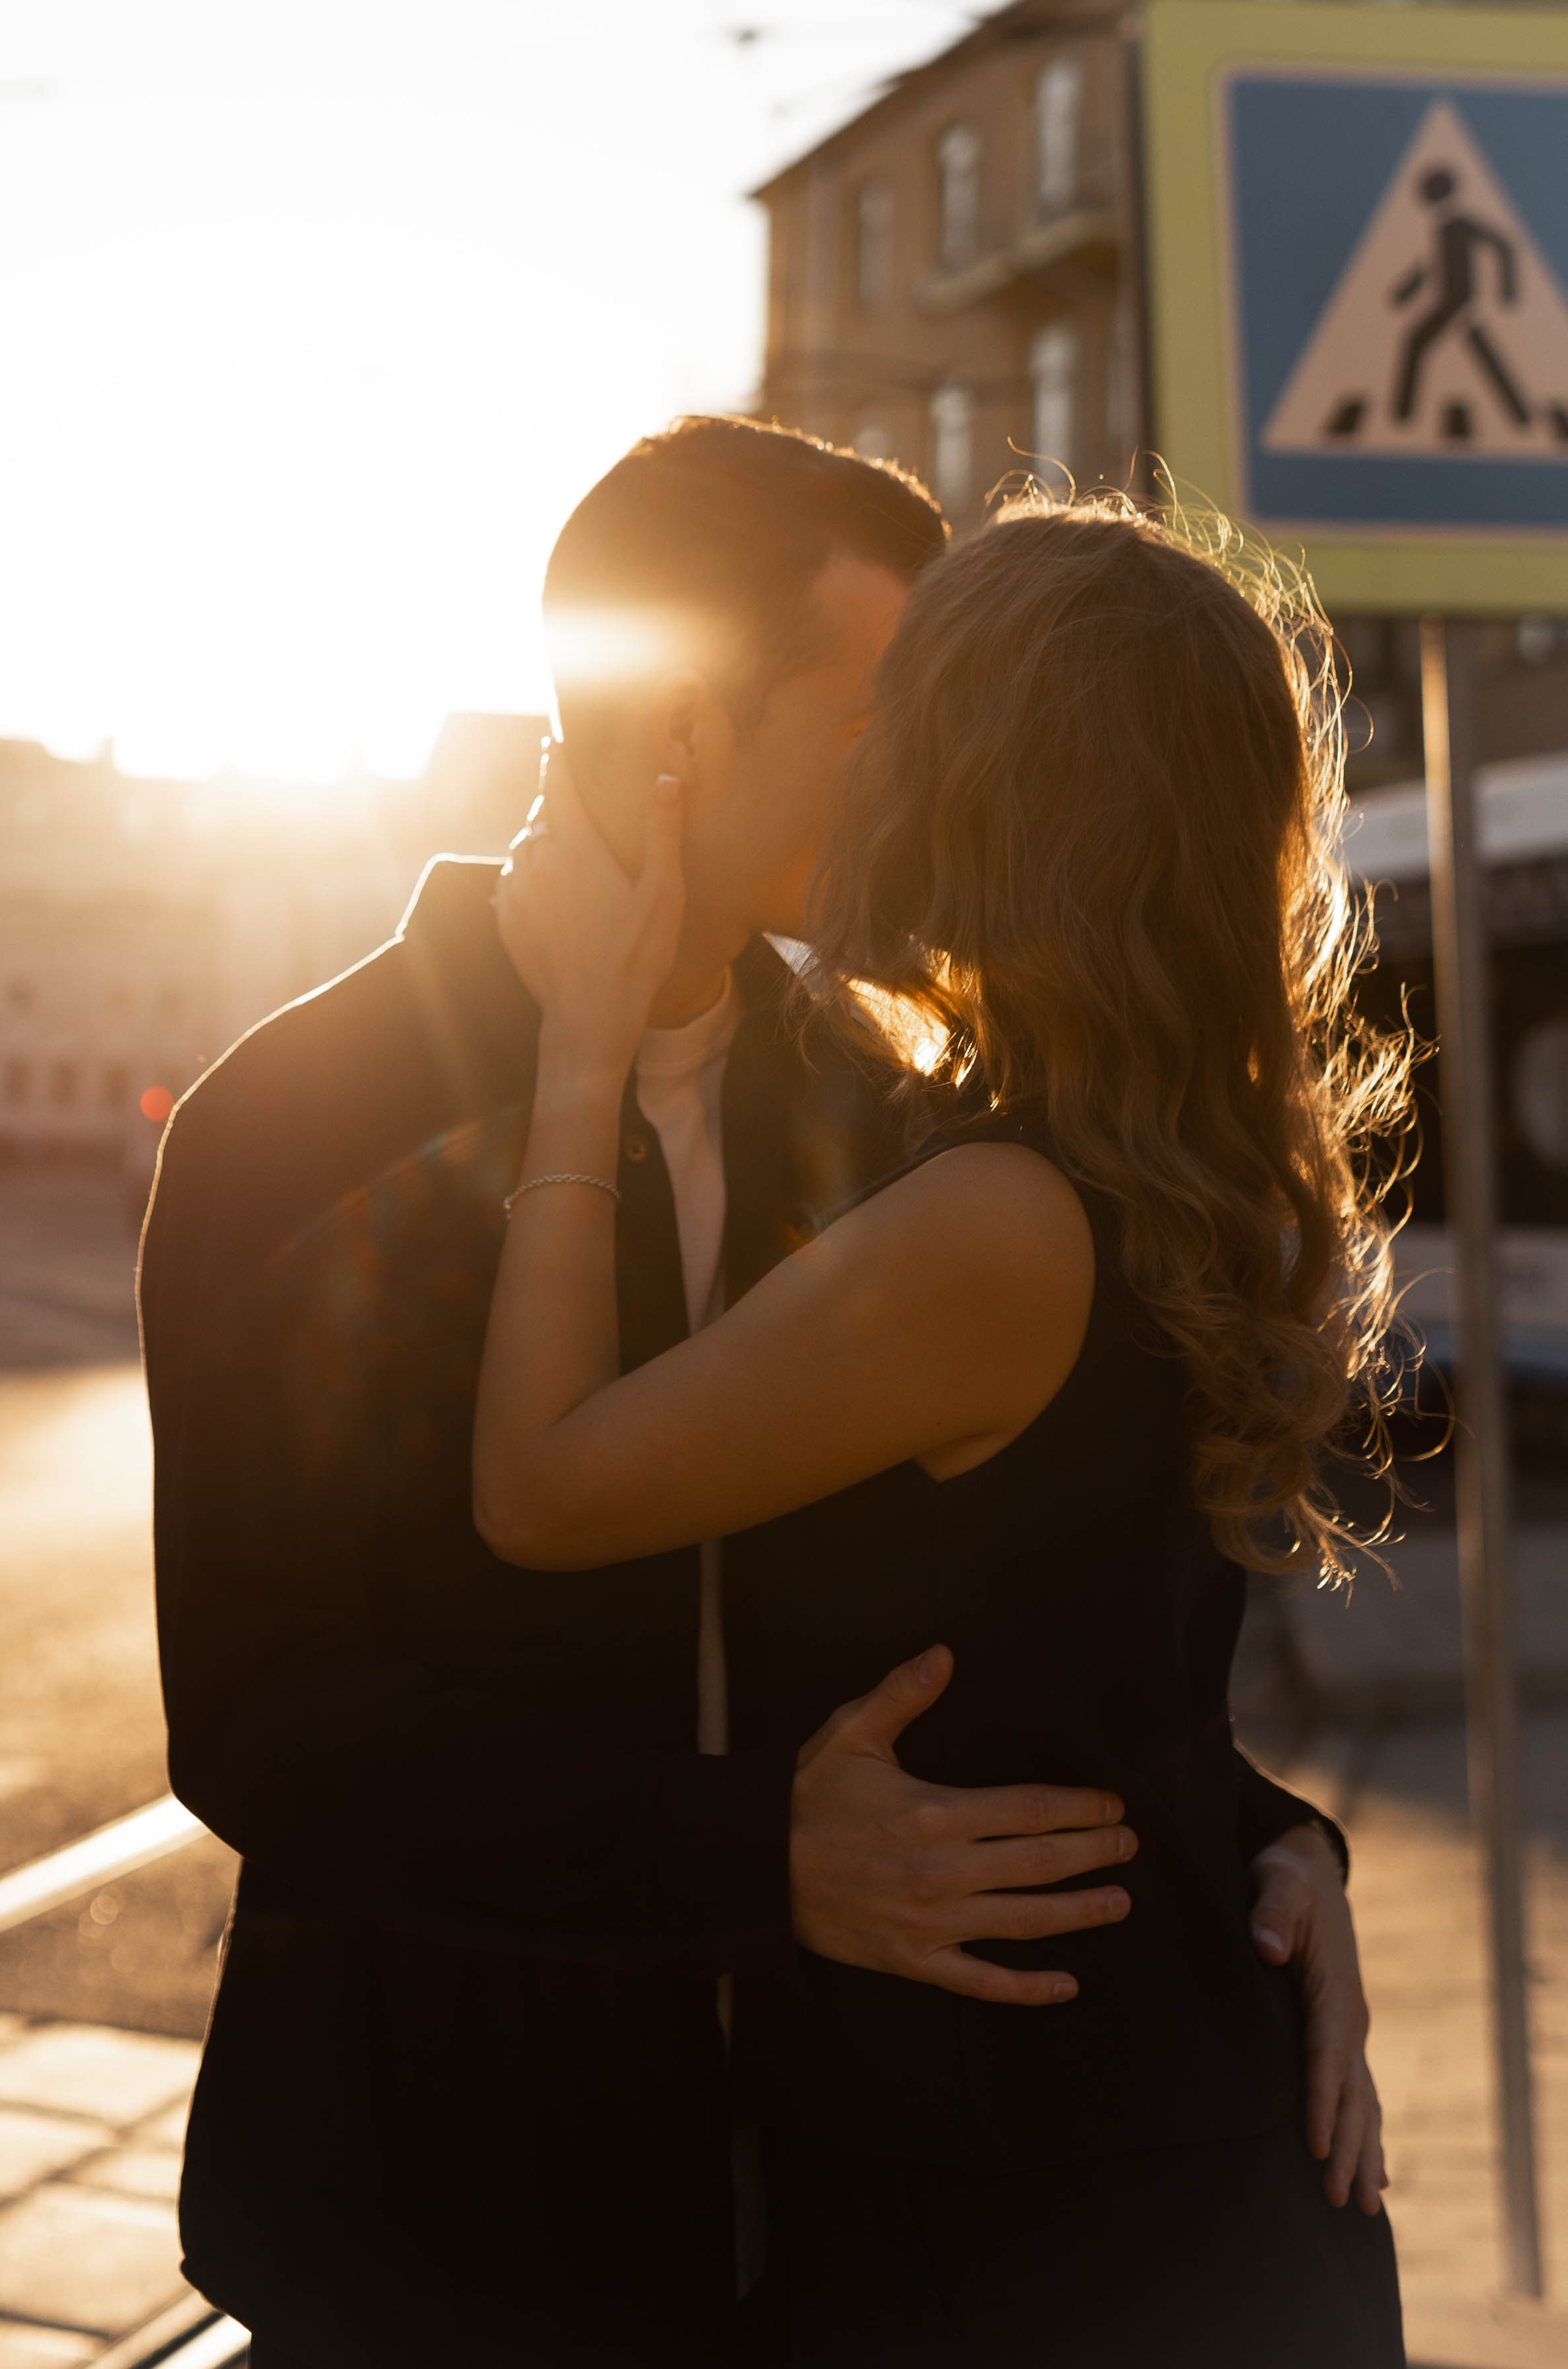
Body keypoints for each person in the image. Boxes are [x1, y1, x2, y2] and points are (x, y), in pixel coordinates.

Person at [141, 420, 1362, 2367]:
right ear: (678, 735)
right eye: (892, 713)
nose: (937, 773)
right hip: (456, 2241)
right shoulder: (297, 1127)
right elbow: (265, 1721)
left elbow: (1043, 1598)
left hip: (857, 2221)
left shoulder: (894, 1118)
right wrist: (753, 1860)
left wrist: (1276, 1849)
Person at [474, 485, 1409, 2366]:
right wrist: (1292, 1845)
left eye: (908, 715)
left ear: (986, 790)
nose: (863, 751)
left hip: (1050, 2212)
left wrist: (577, 1057)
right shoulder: (1148, 1160)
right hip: (1132, 2151)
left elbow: (543, 1485)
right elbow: (1124, 1666)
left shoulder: (992, 1227)